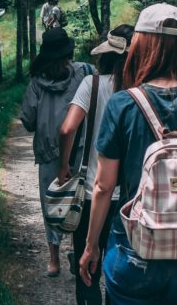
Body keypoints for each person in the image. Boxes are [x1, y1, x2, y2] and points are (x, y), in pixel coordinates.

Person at [79, 3, 177, 305]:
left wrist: (91, 245)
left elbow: (103, 187)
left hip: (134, 247)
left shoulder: (123, 104)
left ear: (141, 45)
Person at [58, 25, 135, 305]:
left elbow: (67, 129)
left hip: (93, 192)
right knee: (122, 271)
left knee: (86, 267)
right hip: (131, 198)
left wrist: (64, 166)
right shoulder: (142, 91)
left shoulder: (91, 85)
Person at [20, 27, 96, 278]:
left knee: (51, 204)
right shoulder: (84, 72)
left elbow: (28, 120)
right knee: (81, 202)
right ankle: (77, 251)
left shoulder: (36, 82)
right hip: (82, 150)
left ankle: (54, 260)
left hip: (49, 152)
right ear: (69, 51)